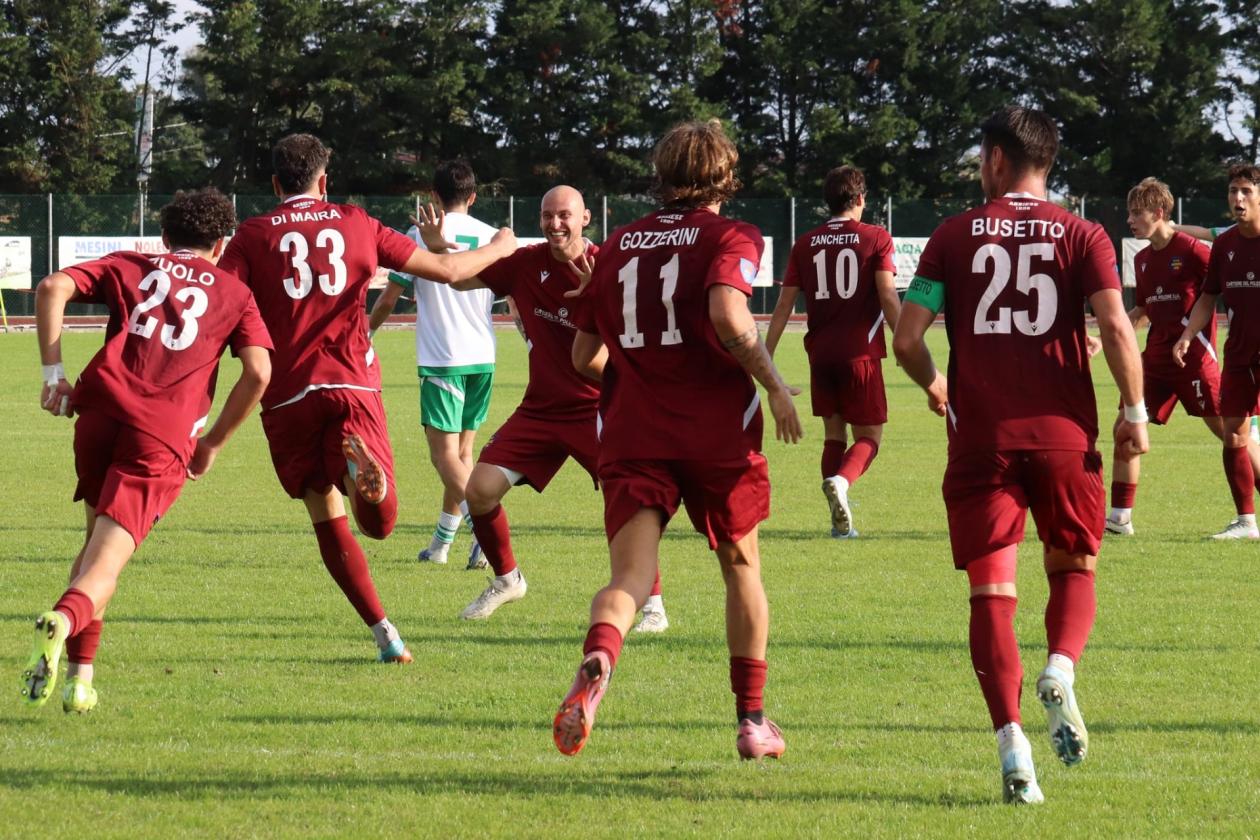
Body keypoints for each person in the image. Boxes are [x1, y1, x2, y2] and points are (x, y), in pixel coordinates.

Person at [892, 106, 1148, 804]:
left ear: (998, 160)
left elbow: (907, 339)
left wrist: (937, 385)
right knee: (1074, 567)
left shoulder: (951, 236)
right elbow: (1116, 326)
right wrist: (1134, 414)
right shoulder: (1083, 234)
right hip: (1064, 438)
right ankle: (1060, 667)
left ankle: (1013, 747)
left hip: (983, 441)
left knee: (992, 594)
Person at [554, 119, 803, 760]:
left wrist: (642, 375)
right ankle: (752, 721)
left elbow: (583, 357)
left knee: (631, 576)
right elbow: (728, 313)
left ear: (661, 175)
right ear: (726, 176)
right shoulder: (732, 235)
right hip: (718, 437)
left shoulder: (617, 245)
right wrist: (775, 385)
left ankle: (601, 654)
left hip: (634, 431)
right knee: (741, 567)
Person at [219, 134, 516, 662]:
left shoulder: (252, 235)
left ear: (276, 184)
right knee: (379, 525)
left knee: (325, 516)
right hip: (352, 381)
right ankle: (365, 480)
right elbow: (448, 271)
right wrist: (501, 245)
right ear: (324, 181)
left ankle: (386, 635)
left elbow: (220, 309)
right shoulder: (356, 221)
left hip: (288, 394)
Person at [20, 189, 273, 712]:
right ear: (221, 244)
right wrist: (213, 443)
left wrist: (54, 375)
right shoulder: (235, 292)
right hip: (159, 435)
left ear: (164, 237)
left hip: (98, 416)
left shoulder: (134, 264)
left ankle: (80, 680)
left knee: (94, 550)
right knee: (105, 563)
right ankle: (62, 620)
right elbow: (259, 372)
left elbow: (51, 287)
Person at [413, 185, 670, 631]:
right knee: (479, 490)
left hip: (597, 409)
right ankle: (507, 580)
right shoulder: (525, 264)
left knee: (628, 504)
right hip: (541, 409)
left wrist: (600, 298)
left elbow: (641, 337)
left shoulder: (609, 266)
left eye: (564, 215)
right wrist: (438, 250)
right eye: (548, 215)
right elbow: (458, 279)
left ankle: (653, 607)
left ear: (585, 218)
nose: (555, 224)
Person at [1107, 178, 1259, 535]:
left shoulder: (1195, 251)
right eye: (1129, 213)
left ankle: (1247, 518)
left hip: (1195, 361)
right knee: (1124, 428)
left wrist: (1192, 335)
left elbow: (1213, 292)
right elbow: (1143, 309)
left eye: (1137, 213)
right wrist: (1106, 336)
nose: (1130, 220)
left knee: (1232, 435)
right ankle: (1119, 519)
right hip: (1155, 362)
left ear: (1158, 212)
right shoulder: (1142, 259)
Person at [368, 160, 498, 569]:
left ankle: (486, 534)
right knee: (462, 455)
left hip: (444, 358)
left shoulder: (419, 236)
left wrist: (364, 334)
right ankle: (441, 544)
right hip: (484, 357)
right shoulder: (491, 236)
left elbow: (389, 298)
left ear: (433, 196)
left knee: (443, 458)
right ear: (473, 196)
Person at [765, 165, 900, 538]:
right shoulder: (876, 237)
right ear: (860, 199)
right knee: (869, 437)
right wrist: (907, 342)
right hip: (860, 354)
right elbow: (888, 297)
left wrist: (766, 357)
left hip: (820, 355)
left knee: (834, 436)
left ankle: (839, 525)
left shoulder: (805, 243)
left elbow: (783, 306)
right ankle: (842, 481)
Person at [1173, 164, 1260, 539]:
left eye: (1246, 191)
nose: (1237, 198)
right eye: (1232, 191)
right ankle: (1246, 522)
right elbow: (1208, 297)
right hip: (1240, 357)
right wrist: (1187, 334)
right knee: (1234, 436)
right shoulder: (1224, 245)